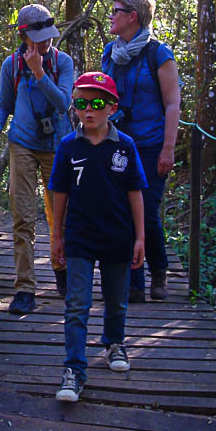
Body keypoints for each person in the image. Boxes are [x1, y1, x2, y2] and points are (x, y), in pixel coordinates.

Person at [49, 72, 146, 403]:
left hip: (117, 234)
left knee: (117, 299)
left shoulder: (126, 146)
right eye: (80, 103)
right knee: (77, 303)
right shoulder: (67, 146)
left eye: (97, 103)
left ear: (113, 108)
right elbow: (59, 192)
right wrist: (56, 236)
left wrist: (140, 237)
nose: (88, 110)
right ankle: (74, 369)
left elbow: (135, 192)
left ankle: (115, 342)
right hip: (79, 236)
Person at [0, 4, 75, 315]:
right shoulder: (11, 65)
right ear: (24, 36)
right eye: (38, 38)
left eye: (48, 37)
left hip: (57, 146)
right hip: (21, 143)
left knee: (59, 216)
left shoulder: (63, 62)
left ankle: (62, 270)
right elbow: (4, 103)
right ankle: (24, 288)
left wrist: (39, 72)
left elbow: (63, 103)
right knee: (22, 217)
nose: (45, 43)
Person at [101, 0, 180, 303]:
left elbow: (173, 104)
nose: (111, 15)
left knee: (145, 211)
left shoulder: (158, 54)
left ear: (132, 16)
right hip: (116, 143)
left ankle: (158, 270)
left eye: (116, 10)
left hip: (150, 146)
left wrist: (168, 149)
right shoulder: (111, 52)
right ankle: (133, 283)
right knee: (121, 211)